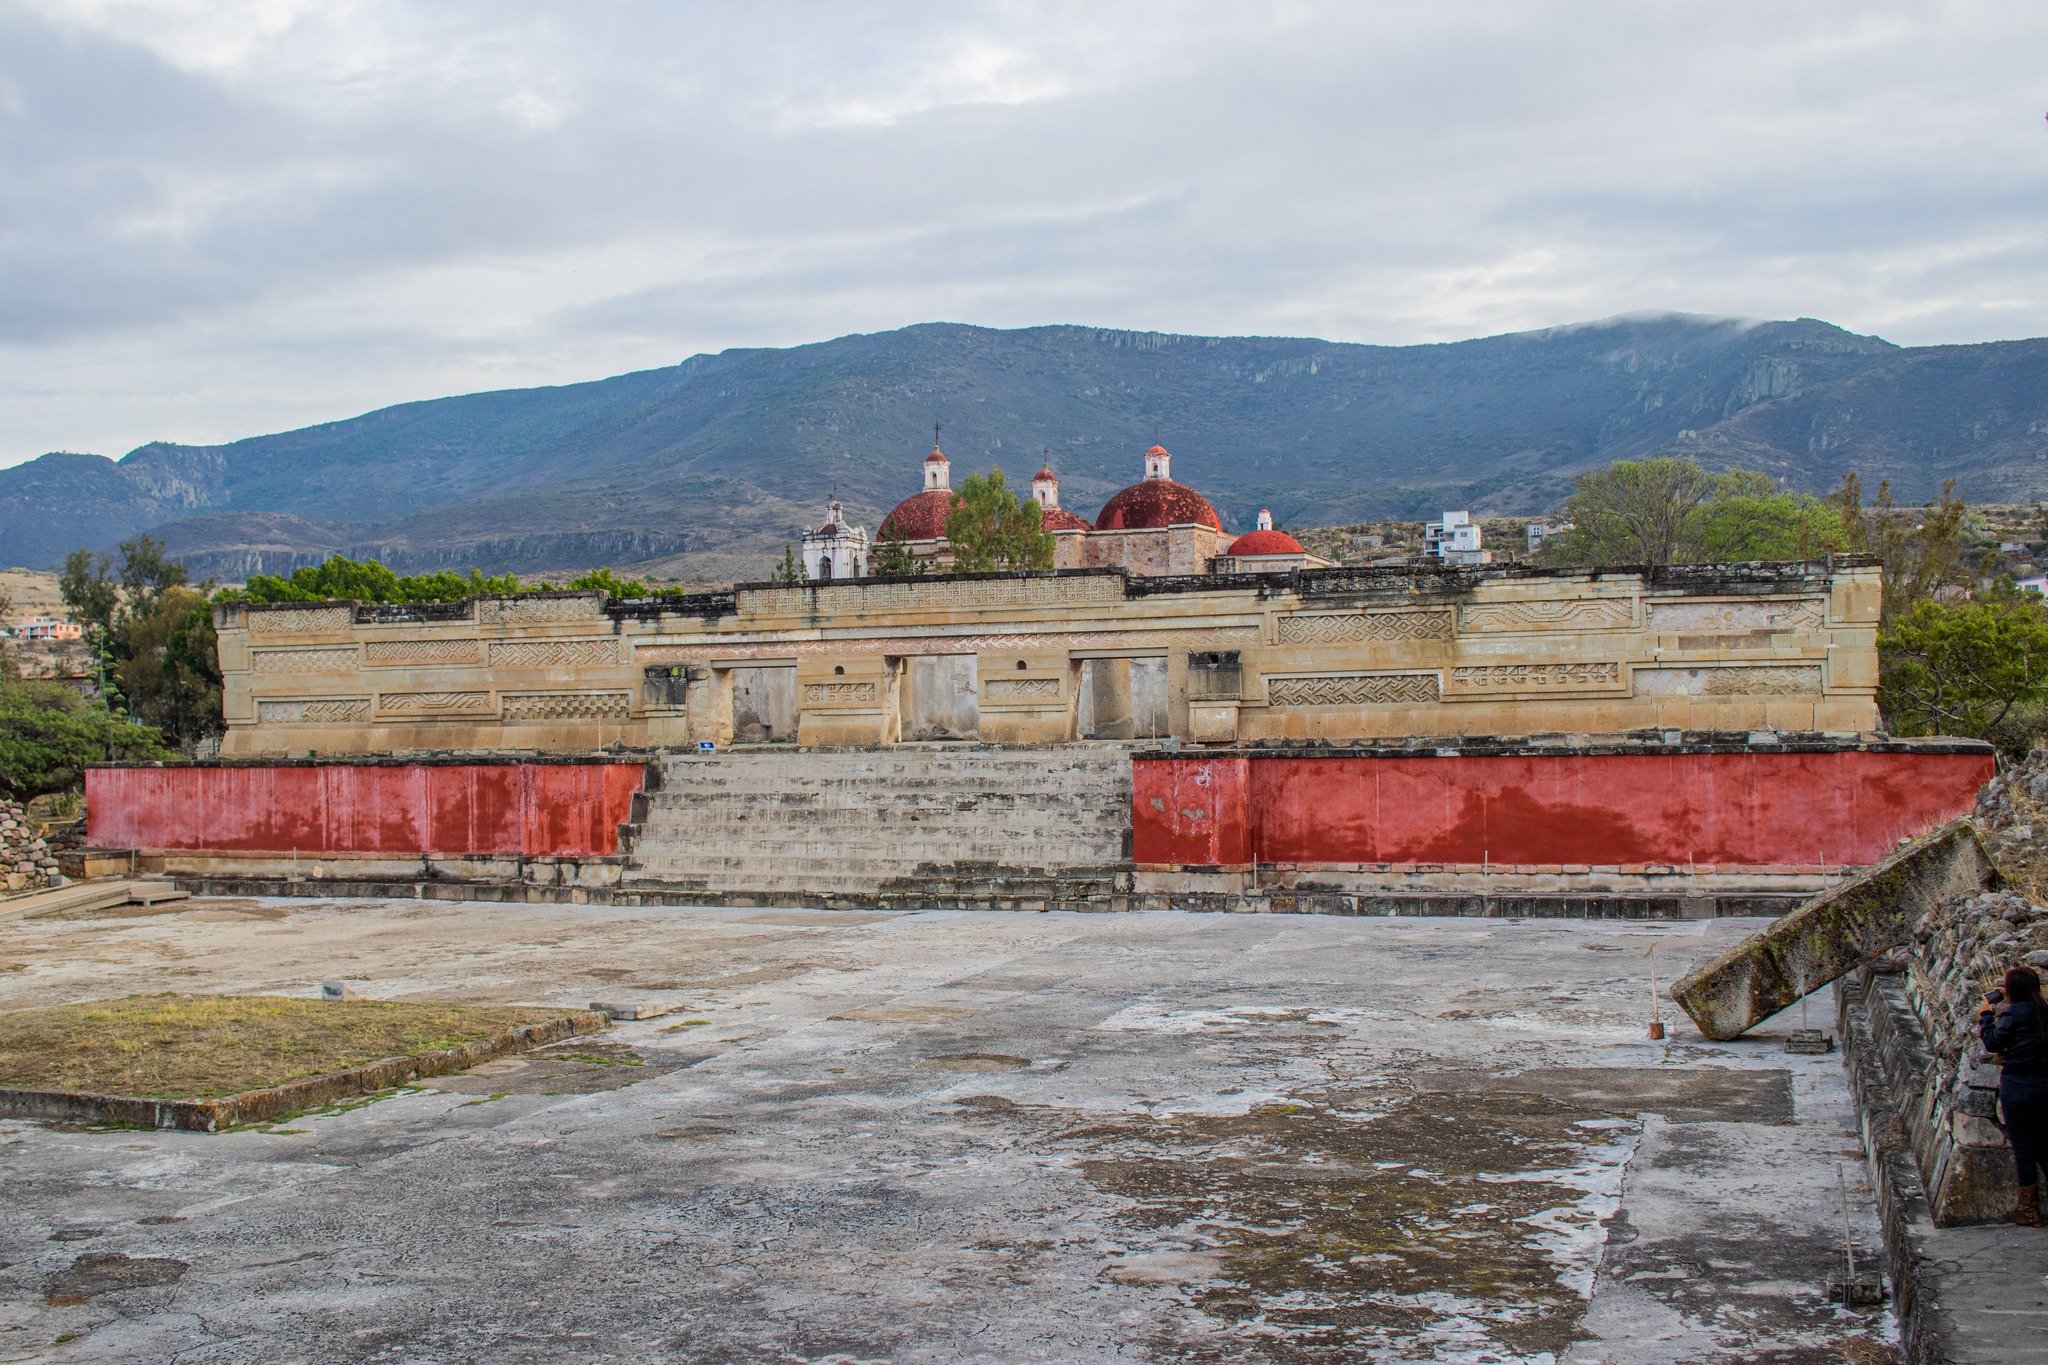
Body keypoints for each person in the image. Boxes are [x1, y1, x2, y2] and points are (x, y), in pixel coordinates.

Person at [1980, 965, 2048, 1226]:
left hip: (2018, 1086)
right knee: (2044, 1145)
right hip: (2044, 1085)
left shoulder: (2012, 1012)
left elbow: (1993, 1042)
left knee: (2025, 1149)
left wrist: (1986, 1015)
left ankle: (2030, 1211)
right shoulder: (2044, 1010)